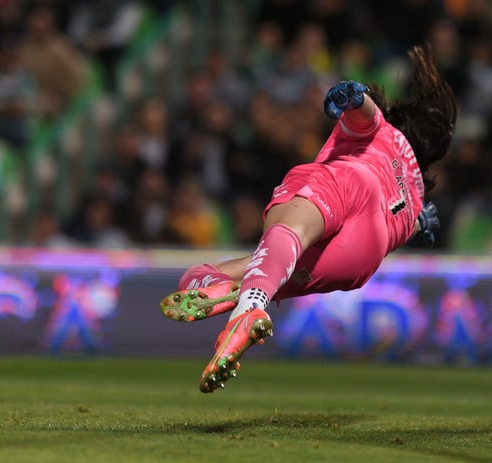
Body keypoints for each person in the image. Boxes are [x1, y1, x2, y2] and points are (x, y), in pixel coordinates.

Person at [160, 45, 456, 393]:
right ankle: (241, 294)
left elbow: (369, 118)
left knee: (297, 205)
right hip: (358, 261)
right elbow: (407, 226)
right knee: (212, 276)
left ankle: (248, 307)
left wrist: (353, 97)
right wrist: (421, 223)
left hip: (354, 185)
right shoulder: (414, 195)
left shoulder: (384, 136)